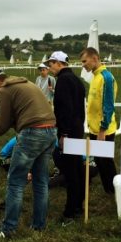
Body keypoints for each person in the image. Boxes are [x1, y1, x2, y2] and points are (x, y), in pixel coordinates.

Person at [0, 68, 57, 238]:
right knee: (41, 181)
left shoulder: (4, 91)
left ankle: (8, 229)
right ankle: (38, 225)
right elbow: (19, 116)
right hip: (50, 131)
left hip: (32, 134)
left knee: (15, 182)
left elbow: (4, 125)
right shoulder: (24, 83)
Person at [46, 50, 86, 224]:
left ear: (59, 63)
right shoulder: (77, 80)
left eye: (51, 63)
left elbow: (65, 110)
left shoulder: (62, 80)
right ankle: (78, 206)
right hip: (78, 128)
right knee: (77, 168)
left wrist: (64, 133)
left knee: (70, 172)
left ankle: (70, 212)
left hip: (69, 131)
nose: (49, 67)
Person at [80, 47, 117, 194]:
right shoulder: (95, 77)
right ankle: (109, 189)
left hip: (104, 130)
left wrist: (102, 130)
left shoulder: (106, 77)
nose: (83, 64)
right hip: (94, 129)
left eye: (84, 61)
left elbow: (108, 106)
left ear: (94, 58)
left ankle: (115, 190)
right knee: (100, 162)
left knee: (106, 162)